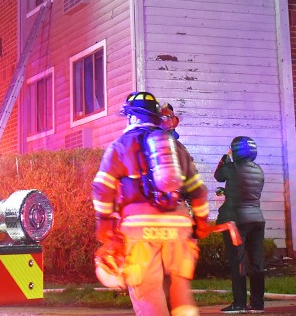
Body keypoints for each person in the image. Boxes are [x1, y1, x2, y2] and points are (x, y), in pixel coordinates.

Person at [93, 91, 211, 316]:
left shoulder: (120, 146)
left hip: (140, 229)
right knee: (180, 289)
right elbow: (198, 190)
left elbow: (102, 187)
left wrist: (105, 222)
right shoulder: (176, 148)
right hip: (177, 227)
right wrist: (201, 221)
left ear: (131, 117)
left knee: (147, 291)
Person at [215, 136, 266, 314]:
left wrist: (225, 156)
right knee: (256, 262)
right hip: (256, 219)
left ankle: (239, 303)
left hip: (236, 221)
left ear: (235, 150)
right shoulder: (259, 170)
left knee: (238, 262)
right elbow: (246, 190)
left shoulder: (231, 167)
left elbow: (218, 175)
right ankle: (258, 303)